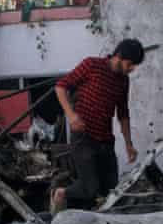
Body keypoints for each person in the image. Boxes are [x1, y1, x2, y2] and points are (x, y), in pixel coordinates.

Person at [52, 39, 144, 211]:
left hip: (106, 141)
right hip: (83, 138)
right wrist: (71, 116)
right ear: (119, 56)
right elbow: (60, 86)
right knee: (90, 188)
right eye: (130, 64)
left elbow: (123, 114)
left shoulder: (123, 81)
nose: (132, 69)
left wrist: (129, 144)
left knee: (111, 190)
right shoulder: (91, 65)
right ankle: (61, 193)